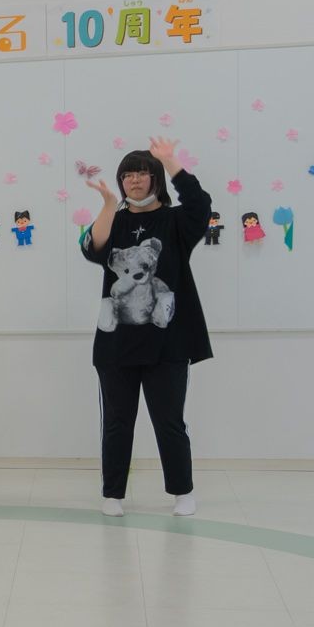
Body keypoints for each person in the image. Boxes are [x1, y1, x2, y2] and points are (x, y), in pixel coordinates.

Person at [81, 140, 212, 517]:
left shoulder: (176, 222)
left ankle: (182, 491)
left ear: (155, 178)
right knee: (117, 422)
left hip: (169, 343)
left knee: (169, 422)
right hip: (116, 345)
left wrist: (171, 162)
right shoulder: (115, 220)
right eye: (127, 174)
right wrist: (108, 206)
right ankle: (113, 494)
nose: (134, 180)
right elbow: (94, 249)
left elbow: (200, 205)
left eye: (141, 173)